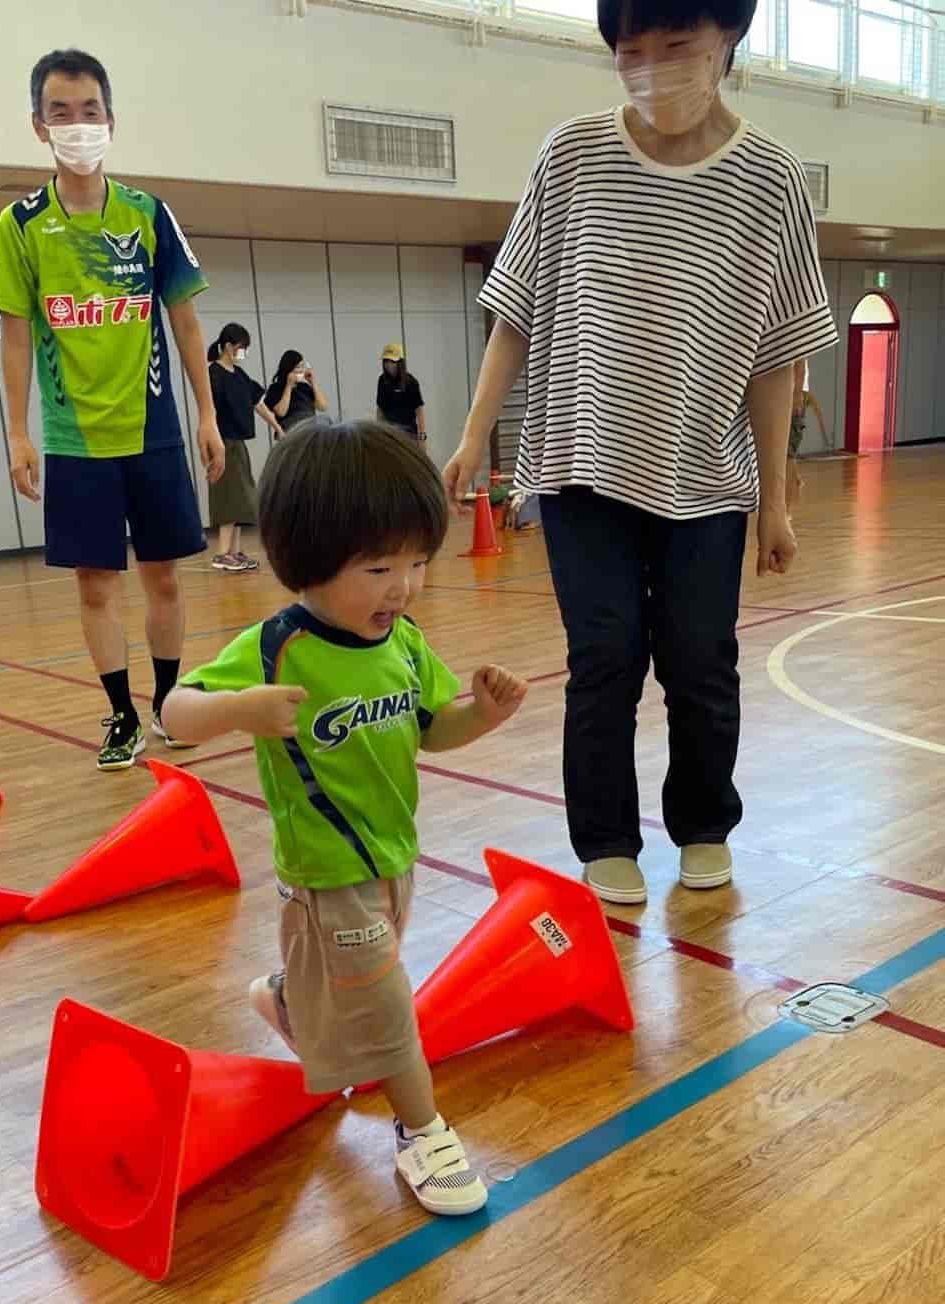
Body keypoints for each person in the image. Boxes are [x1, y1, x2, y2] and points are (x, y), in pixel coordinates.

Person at [445, 0, 837, 906]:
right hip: (582, 460)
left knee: (701, 656)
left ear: (727, 42)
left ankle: (703, 824)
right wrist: (474, 436)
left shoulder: (771, 177)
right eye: (632, 51)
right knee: (607, 654)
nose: (654, 68)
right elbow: (515, 310)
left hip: (705, 471)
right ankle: (607, 839)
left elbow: (779, 358)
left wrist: (772, 501)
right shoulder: (572, 154)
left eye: (677, 47)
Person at [163, 421, 528, 1217]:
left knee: (364, 981)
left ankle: (290, 1000)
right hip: (327, 870)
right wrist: (239, 710)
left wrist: (484, 715)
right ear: (308, 559)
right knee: (389, 1006)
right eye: (378, 567)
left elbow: (435, 726)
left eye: (417, 563)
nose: (403, 587)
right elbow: (173, 710)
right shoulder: (276, 647)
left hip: (396, 858)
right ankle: (421, 1128)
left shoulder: (401, 641)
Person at [0, 48, 224, 770]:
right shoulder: (20, 226)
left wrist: (208, 413)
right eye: (62, 113)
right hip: (74, 439)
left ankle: (169, 702)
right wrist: (18, 433)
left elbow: (184, 320)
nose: (77, 125)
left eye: (90, 111)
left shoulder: (148, 214)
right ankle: (121, 715)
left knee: (165, 577)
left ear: (110, 119)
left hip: (151, 431)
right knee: (96, 585)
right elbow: (17, 335)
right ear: (38, 126)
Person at [207, 324, 284, 573]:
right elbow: (207, 411)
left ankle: (235, 552)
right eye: (242, 348)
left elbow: (259, 404)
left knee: (242, 499)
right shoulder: (214, 374)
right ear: (229, 346)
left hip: (238, 443)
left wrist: (277, 427)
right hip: (222, 442)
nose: (243, 353)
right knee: (229, 497)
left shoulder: (239, 376)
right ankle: (221, 553)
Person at [786, 357, 830, 511]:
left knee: (788, 456)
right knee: (787, 454)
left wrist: (797, 395)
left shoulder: (801, 394)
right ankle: (796, 480)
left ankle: (787, 510)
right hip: (786, 394)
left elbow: (800, 359)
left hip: (793, 396)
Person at [264, 349, 330, 436]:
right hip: (290, 433)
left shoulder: (304, 387)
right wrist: (288, 386)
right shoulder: (275, 388)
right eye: (298, 367)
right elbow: (280, 412)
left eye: (303, 366)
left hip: (310, 431)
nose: (302, 370)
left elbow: (323, 407)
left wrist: (313, 382)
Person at [376, 344, 427, 447]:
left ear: (400, 362)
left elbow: (419, 411)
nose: (389, 365)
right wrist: (378, 432)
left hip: (409, 434)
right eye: (386, 361)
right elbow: (380, 409)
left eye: (392, 361)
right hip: (389, 434)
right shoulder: (382, 380)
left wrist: (422, 437)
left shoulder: (411, 382)